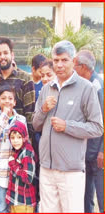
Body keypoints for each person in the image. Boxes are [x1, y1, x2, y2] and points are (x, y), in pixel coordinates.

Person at [33, 40, 103, 213]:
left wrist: (67, 126)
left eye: (64, 60)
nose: (59, 65)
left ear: (73, 61)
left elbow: (97, 127)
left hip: (71, 171)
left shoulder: (86, 88)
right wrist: (43, 110)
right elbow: (35, 124)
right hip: (47, 169)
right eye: (56, 60)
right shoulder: (46, 88)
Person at [0, 85, 27, 213]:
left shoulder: (21, 119)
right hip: (2, 172)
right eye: (3, 98)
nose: (7, 101)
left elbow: (25, 145)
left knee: (17, 207)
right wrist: (4, 116)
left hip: (18, 173)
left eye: (10, 98)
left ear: (15, 102)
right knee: (3, 207)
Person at [74, 50, 104, 213]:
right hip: (86, 153)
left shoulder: (97, 87)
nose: (73, 69)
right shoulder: (84, 85)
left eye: (75, 65)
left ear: (83, 67)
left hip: (98, 155)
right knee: (86, 197)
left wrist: (102, 151)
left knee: (101, 198)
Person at [0, 37, 35, 142]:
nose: (2, 57)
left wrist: (27, 139)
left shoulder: (25, 78)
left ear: (12, 55)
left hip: (19, 138)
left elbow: (30, 113)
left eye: (5, 53)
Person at [6, 121, 36, 213]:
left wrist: (13, 164)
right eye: (12, 138)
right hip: (16, 200)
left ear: (24, 137)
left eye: (19, 137)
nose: (15, 141)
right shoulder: (18, 151)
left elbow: (27, 178)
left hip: (23, 202)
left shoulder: (27, 153)